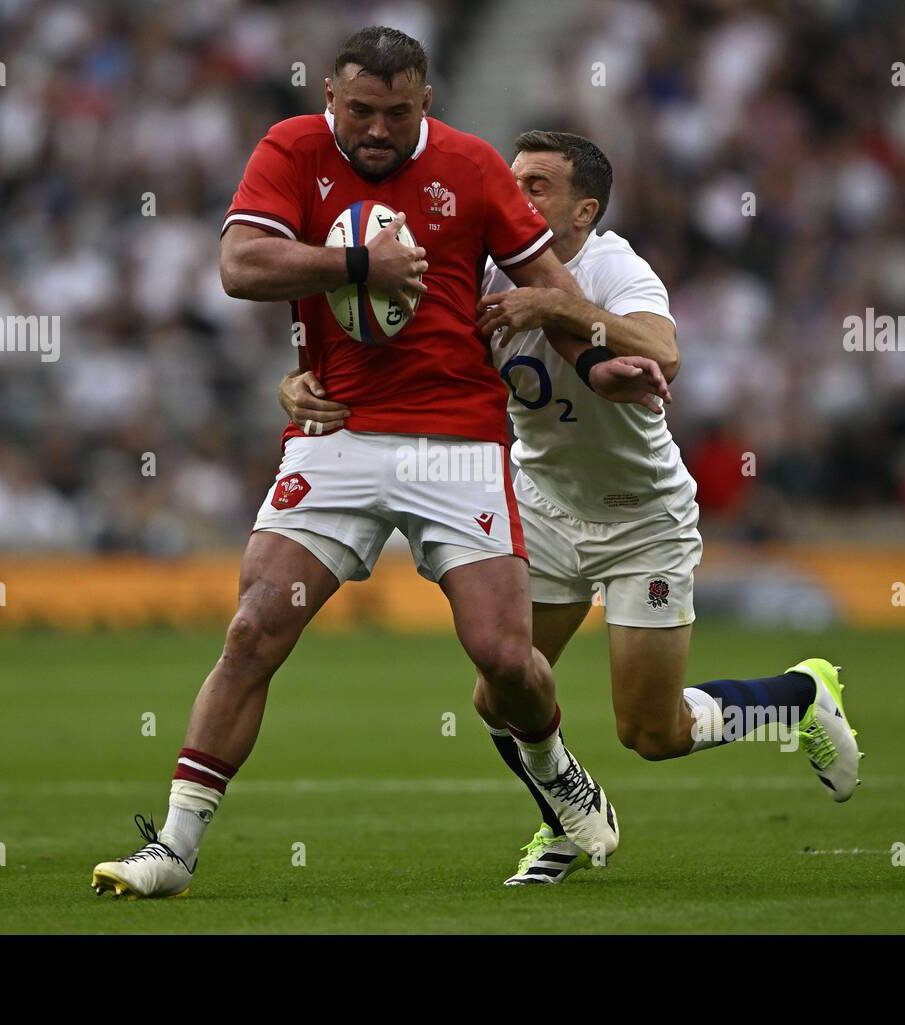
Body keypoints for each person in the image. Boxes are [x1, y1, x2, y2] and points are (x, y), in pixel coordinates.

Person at [90, 27, 670, 900]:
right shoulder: (291, 148)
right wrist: (359, 263)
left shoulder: (473, 169)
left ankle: (556, 774)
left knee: (504, 659)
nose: (376, 129)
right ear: (331, 95)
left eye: (397, 114)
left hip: (460, 441)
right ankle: (172, 849)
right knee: (253, 629)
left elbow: (554, 289)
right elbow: (240, 265)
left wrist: (596, 363)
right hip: (339, 436)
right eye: (360, 110)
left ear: (424, 105)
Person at [281, 130, 862, 887]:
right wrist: (299, 382)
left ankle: (799, 695)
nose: (515, 196)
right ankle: (565, 819)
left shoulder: (611, 264)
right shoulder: (480, 265)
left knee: (653, 732)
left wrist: (552, 304)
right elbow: (391, 346)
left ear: (584, 210)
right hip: (544, 505)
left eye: (538, 186)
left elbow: (665, 351)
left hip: (641, 517)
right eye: (512, 179)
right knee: (501, 686)